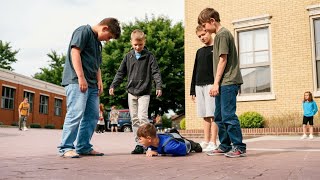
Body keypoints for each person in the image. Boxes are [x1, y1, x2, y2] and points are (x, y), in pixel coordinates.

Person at [58, 18, 121, 158]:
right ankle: (66, 147)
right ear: (104, 28)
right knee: (75, 113)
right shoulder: (83, 31)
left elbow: (97, 65)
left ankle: (83, 146)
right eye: (109, 37)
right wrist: (81, 77)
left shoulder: (98, 43)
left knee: (92, 115)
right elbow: (75, 53)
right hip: (77, 81)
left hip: (92, 84)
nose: (108, 40)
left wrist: (100, 81)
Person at [198, 8, 246, 158]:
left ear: (212, 21)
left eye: (204, 25)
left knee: (228, 115)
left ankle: (239, 146)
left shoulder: (223, 35)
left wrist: (216, 83)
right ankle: (225, 145)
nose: (204, 29)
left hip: (228, 81)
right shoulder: (219, 35)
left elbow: (223, 60)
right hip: (222, 82)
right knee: (218, 115)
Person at [109, 29, 163, 154]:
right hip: (131, 92)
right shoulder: (128, 56)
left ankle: (149, 145)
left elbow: (156, 72)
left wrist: (158, 86)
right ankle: (139, 144)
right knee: (134, 119)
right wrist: (113, 85)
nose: (138, 47)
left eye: (140, 44)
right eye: (135, 45)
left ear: (144, 42)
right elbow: (120, 72)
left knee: (142, 117)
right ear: (131, 43)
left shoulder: (149, 57)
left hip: (144, 91)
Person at [190, 25, 218, 152]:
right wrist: (192, 90)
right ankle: (206, 141)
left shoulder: (216, 49)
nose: (202, 37)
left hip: (211, 85)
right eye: (199, 36)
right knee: (205, 115)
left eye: (203, 34)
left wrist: (216, 84)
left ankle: (213, 141)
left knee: (213, 115)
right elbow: (195, 70)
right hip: (198, 86)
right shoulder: (199, 52)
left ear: (209, 32)